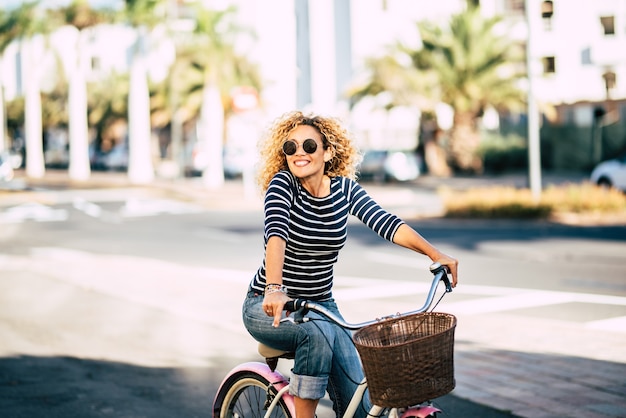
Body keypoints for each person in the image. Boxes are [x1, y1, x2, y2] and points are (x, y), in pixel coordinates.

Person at [242, 110, 458, 418]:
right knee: (314, 334)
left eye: (309, 146)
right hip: (268, 305)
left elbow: (386, 222)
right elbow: (275, 233)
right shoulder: (282, 185)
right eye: (291, 147)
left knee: (360, 404)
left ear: (328, 151)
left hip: (321, 305)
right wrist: (274, 288)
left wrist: (435, 254)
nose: (299, 153)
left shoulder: (344, 191)